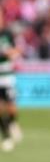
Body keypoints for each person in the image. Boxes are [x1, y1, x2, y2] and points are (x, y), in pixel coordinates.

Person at [0, 10, 22, 152]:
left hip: (7, 76)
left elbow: (17, 51)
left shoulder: (7, 34)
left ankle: (13, 123)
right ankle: (6, 137)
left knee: (11, 107)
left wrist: (9, 53)